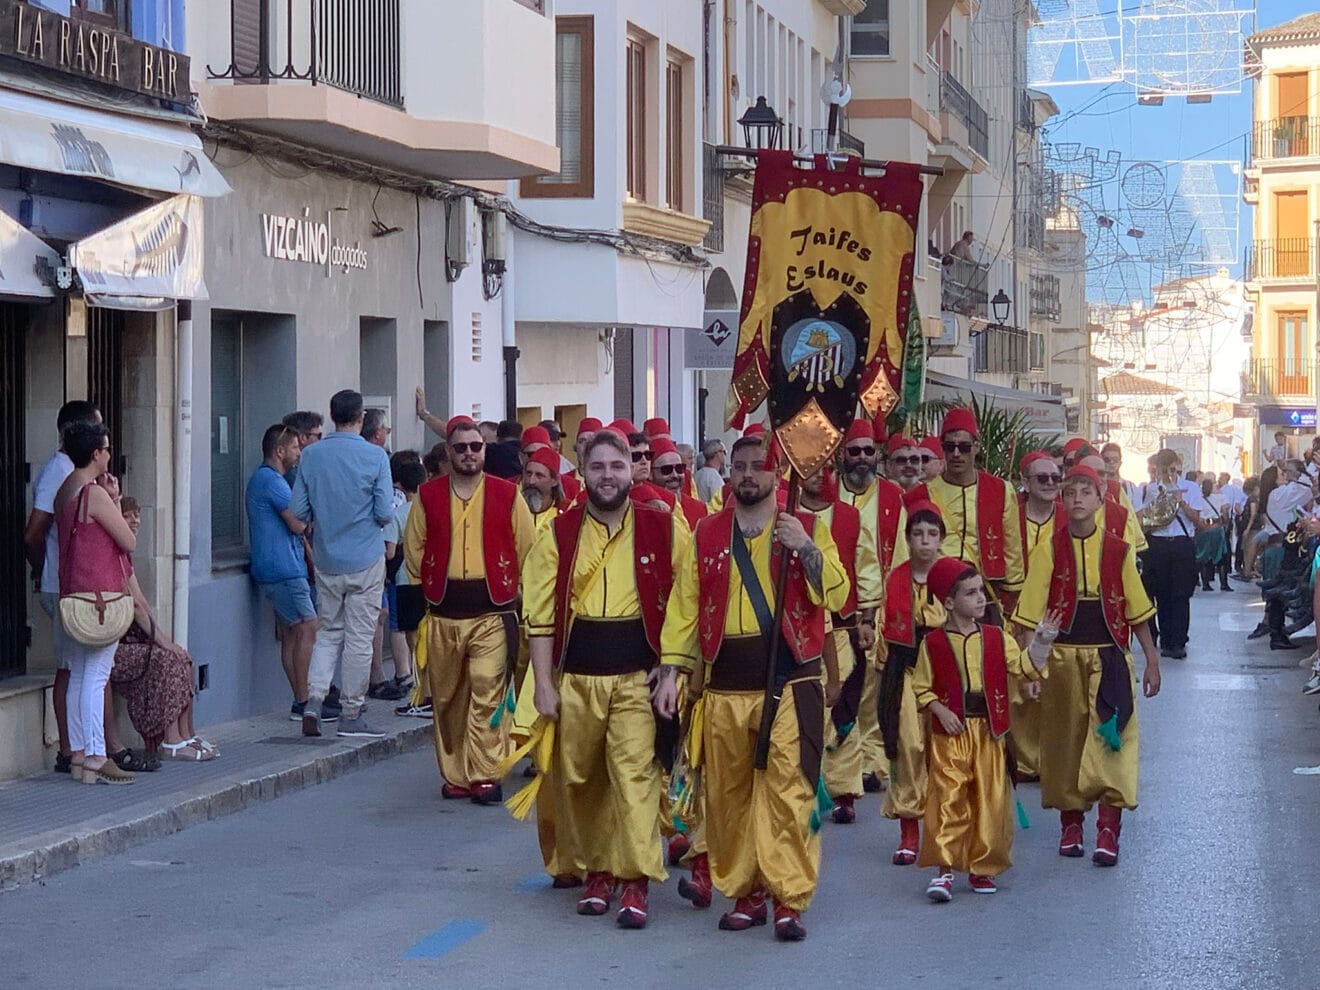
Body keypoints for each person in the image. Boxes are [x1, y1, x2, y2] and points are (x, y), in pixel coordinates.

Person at [654, 434, 849, 942]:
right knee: (730, 797)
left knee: (788, 791)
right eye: (737, 466)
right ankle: (746, 892)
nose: (746, 475)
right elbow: (685, 607)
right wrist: (672, 673)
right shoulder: (705, 533)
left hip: (790, 681)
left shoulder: (806, 527)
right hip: (725, 687)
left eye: (757, 467)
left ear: (776, 474)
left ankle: (788, 897)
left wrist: (805, 549)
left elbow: (838, 594)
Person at [524, 429, 683, 928]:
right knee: (583, 779)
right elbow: (540, 614)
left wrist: (673, 669)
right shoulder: (558, 534)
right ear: (583, 472)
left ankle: (635, 881)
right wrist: (544, 685)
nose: (608, 476)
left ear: (631, 470)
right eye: (598, 467)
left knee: (635, 777)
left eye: (617, 466)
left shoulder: (664, 526)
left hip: (638, 678)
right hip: (578, 680)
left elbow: (687, 601)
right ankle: (598, 872)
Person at [1012, 465, 1159, 867]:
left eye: (1085, 491)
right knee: (1064, 743)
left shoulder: (1118, 549)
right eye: (1070, 491)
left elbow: (1137, 610)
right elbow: (1027, 618)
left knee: (1114, 739)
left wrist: (1152, 660)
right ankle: (1071, 823)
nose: (1077, 498)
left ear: (1100, 500)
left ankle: (1109, 829)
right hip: (1061, 657)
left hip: (1109, 656)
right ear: (1062, 499)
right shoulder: (1048, 549)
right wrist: (1031, 670)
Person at [404, 415, 536, 803]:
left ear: (484, 450)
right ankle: (456, 775)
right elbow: (414, 550)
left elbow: (528, 550)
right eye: (460, 448)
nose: (468, 454)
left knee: (488, 692)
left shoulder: (507, 495)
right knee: (447, 700)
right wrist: (423, 594)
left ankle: (484, 774)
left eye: (475, 447)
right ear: (448, 452)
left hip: (493, 613)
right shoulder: (427, 496)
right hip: (444, 613)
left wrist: (526, 602)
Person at [915, 557, 1043, 901]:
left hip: (989, 730)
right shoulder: (934, 644)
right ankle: (943, 870)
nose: (980, 599)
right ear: (950, 602)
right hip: (951, 732)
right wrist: (939, 709)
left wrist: (1042, 642)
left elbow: (1024, 668)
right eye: (970, 593)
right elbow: (921, 688)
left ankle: (982, 867)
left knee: (990, 798)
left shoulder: (997, 638)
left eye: (981, 592)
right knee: (948, 796)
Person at [291, 389, 395, 738]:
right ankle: (351, 713)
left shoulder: (311, 456)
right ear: (361, 417)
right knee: (360, 638)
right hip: (365, 557)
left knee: (329, 633)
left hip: (326, 558)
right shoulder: (376, 457)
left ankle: (314, 702)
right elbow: (383, 512)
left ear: (332, 415)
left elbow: (300, 511)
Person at [54, 421, 137, 785]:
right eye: (105, 448)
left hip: (73, 593)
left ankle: (76, 754)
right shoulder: (94, 494)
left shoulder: (64, 492)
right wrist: (116, 501)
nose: (108, 453)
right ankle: (95, 754)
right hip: (101, 596)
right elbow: (127, 540)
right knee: (96, 673)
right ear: (95, 454)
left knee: (76, 671)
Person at [798, 466, 881, 826]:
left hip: (843, 625)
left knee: (841, 707)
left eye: (827, 470)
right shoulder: (784, 516)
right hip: (798, 628)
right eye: (811, 471)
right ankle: (802, 790)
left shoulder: (849, 516)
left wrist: (867, 618)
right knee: (800, 711)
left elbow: (866, 567)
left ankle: (844, 792)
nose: (820, 477)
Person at [23, 400, 102, 774]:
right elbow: (34, 531)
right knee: (71, 666)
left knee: (79, 666)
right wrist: (42, 571)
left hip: (68, 579)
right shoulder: (60, 472)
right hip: (62, 581)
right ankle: (71, 748)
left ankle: (84, 746)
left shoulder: (72, 471)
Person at [837, 418, 909, 795]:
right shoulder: (828, 492)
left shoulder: (892, 495)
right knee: (840, 687)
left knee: (873, 688)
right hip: (834, 607)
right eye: (855, 451)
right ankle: (841, 763)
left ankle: (873, 762)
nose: (863, 458)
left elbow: (899, 558)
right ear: (842, 455)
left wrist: (889, 609)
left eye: (869, 451)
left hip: (877, 608)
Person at [113, 498, 216, 764]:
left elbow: (143, 603)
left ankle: (187, 733)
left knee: (183, 657)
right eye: (127, 516)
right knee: (167, 660)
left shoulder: (126, 556)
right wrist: (163, 643)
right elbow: (136, 606)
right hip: (114, 647)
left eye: (137, 515)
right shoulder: (113, 554)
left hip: (133, 641)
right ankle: (171, 740)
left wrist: (166, 641)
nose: (135, 521)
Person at [904, 408, 1025, 620]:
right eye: (950, 447)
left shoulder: (1000, 489)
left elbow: (1012, 546)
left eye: (964, 447)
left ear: (976, 447)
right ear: (943, 449)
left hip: (984, 591)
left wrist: (1011, 597)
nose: (957, 454)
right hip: (937, 592)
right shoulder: (920, 495)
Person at [878, 501, 947, 865]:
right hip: (905, 674)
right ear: (907, 539)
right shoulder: (896, 579)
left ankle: (943, 828)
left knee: (944, 752)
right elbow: (885, 634)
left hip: (944, 678)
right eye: (917, 534)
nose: (924, 541)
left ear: (941, 539)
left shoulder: (954, 576)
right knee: (907, 749)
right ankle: (908, 832)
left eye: (932, 534)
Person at [246, 424, 322, 721]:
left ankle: (299, 699)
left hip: (276, 567)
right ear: (279, 451)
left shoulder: (263, 479)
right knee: (308, 626)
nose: (298, 452)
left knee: (292, 633)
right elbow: (297, 523)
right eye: (294, 448)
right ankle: (305, 700)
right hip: (284, 568)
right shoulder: (272, 481)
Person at [1136, 450, 1208, 660]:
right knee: (1160, 593)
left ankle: (1178, 640)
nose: (1169, 471)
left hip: (1181, 542)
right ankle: (1164, 637)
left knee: (1181, 594)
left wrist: (1180, 501)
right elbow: (1146, 519)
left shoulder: (1191, 488)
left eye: (1172, 466)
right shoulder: (1151, 489)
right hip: (1158, 543)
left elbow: (1197, 520)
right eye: (1165, 466)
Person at [652, 438, 708, 529]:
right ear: (651, 474)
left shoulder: (701, 510)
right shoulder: (646, 509)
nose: (675, 475)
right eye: (666, 470)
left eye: (679, 468)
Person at [1197, 478, 1232, 592]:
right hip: (1217, 527)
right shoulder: (1220, 497)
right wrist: (1226, 524)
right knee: (1221, 556)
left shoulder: (1199, 499)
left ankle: (1205, 584)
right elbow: (1225, 511)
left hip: (1203, 528)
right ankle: (1224, 583)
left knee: (1204, 556)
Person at [522, 447, 566, 524]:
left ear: (554, 481)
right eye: (528, 474)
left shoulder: (566, 512)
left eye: (539, 475)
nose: (531, 481)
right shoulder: (512, 508)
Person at [695, 439, 727, 505]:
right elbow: (720, 503)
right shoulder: (714, 477)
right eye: (724, 452)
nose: (725, 455)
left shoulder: (696, 475)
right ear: (717, 454)